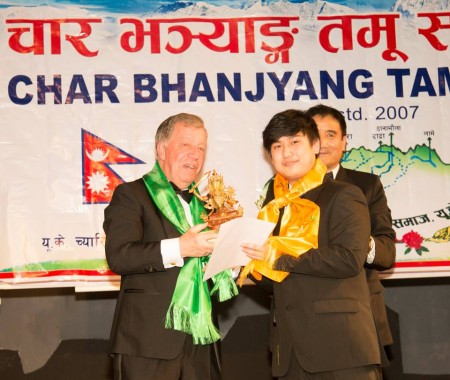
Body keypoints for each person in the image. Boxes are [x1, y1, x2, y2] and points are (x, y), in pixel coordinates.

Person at [240, 109, 382, 379]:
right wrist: (245, 265)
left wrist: (277, 256)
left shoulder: (344, 195)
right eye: (277, 146)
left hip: (340, 347)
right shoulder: (274, 208)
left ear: (315, 145)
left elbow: (349, 259)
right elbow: (280, 277)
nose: (287, 153)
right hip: (290, 351)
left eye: (295, 142)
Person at [103, 113, 238, 380]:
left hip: (202, 342)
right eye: (186, 145)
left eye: (201, 148)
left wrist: (230, 261)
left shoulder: (208, 206)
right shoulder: (131, 195)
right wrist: (181, 248)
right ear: (161, 150)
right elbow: (119, 256)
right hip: (147, 343)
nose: (195, 155)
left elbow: (208, 275)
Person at [306, 104, 396, 356]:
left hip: (359, 317)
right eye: (315, 134)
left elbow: (387, 253)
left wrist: (358, 242)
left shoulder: (366, 185)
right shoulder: (282, 188)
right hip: (303, 317)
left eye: (331, 135)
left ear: (344, 142)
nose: (323, 143)